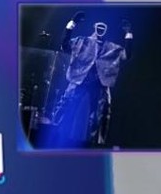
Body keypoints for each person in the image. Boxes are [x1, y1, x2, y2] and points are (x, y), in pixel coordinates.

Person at [50, 13, 132, 148]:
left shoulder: (112, 47)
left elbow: (126, 55)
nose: (101, 29)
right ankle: (54, 135)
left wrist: (128, 34)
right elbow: (64, 46)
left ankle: (98, 144)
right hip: (79, 79)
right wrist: (72, 24)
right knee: (65, 105)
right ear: (94, 27)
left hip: (100, 83)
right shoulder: (82, 41)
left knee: (102, 113)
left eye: (103, 27)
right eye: (99, 26)